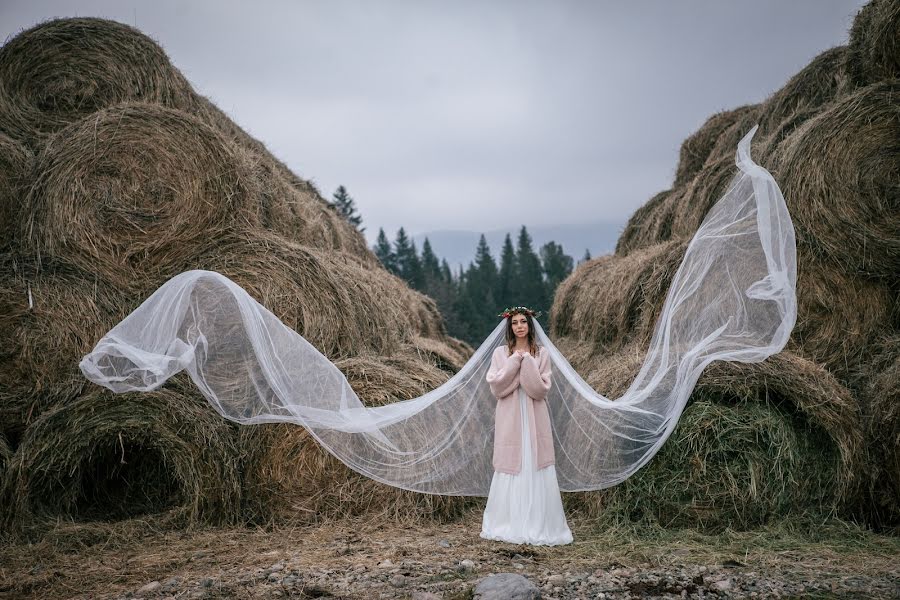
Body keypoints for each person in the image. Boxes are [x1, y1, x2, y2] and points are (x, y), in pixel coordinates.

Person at [481, 306, 573, 545]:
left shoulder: (541, 354)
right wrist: (514, 362)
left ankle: (538, 522)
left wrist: (528, 363)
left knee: (534, 460)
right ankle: (508, 522)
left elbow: (540, 389)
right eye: (514, 323)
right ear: (509, 327)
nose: (519, 326)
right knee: (511, 461)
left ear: (530, 326)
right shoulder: (501, 354)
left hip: (534, 415)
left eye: (523, 322)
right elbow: (497, 387)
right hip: (510, 416)